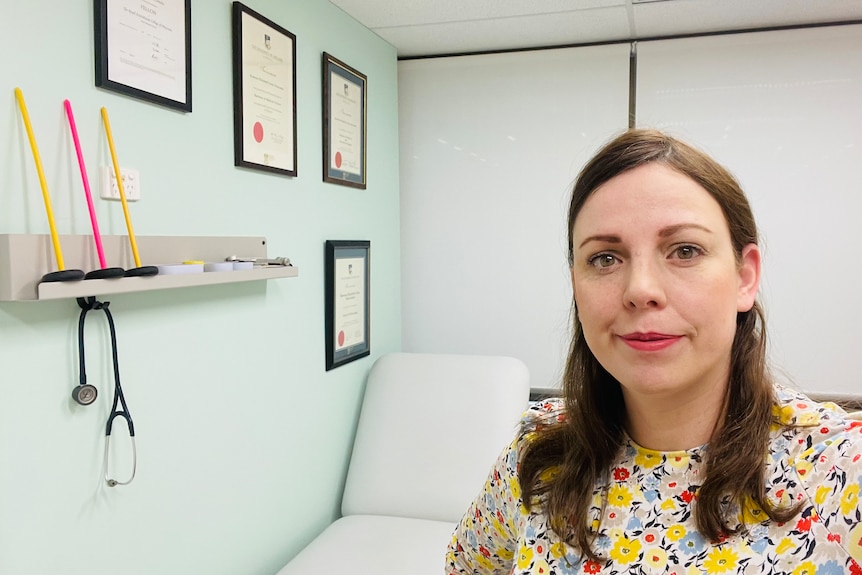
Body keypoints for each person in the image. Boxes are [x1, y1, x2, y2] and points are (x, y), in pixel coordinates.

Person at [446, 129, 862, 574]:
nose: (641, 290)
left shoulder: (842, 471)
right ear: (574, 283)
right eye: (605, 258)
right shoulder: (538, 454)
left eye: (685, 250)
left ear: (745, 277)